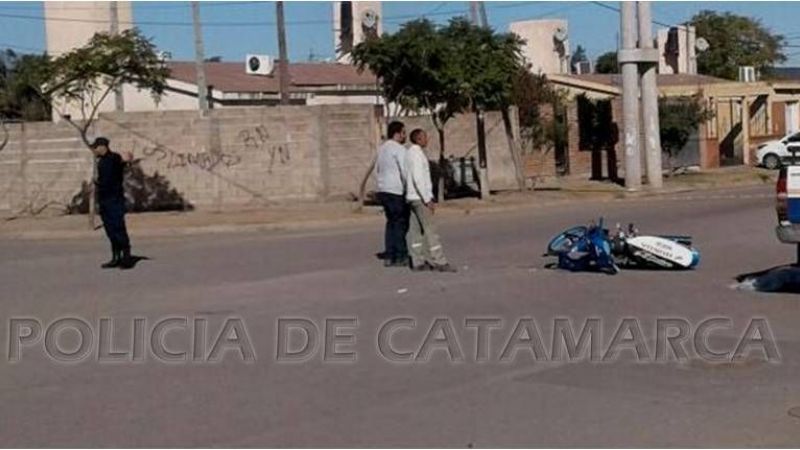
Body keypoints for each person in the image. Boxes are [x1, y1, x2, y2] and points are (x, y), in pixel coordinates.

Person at [404, 129, 456, 273]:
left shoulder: (409, 153)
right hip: (419, 198)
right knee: (430, 230)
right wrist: (427, 199)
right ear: (419, 139)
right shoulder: (416, 155)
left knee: (415, 231)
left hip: (411, 197)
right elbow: (418, 178)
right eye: (425, 137)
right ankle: (440, 261)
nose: (427, 140)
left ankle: (417, 261)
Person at [90, 137, 135, 269]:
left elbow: (121, 164)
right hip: (104, 201)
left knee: (119, 229)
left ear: (103, 146)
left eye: (96, 147)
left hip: (115, 201)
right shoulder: (101, 162)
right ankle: (116, 257)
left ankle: (127, 258)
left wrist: (127, 161)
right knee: (110, 231)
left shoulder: (114, 158)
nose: (94, 149)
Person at [376, 121, 410, 267]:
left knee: (391, 222)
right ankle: (400, 255)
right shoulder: (399, 149)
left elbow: (377, 169)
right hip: (396, 190)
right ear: (397, 133)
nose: (405, 135)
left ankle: (390, 255)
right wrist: (409, 189)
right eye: (403, 132)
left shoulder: (382, 148)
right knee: (400, 223)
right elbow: (405, 171)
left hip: (383, 189)